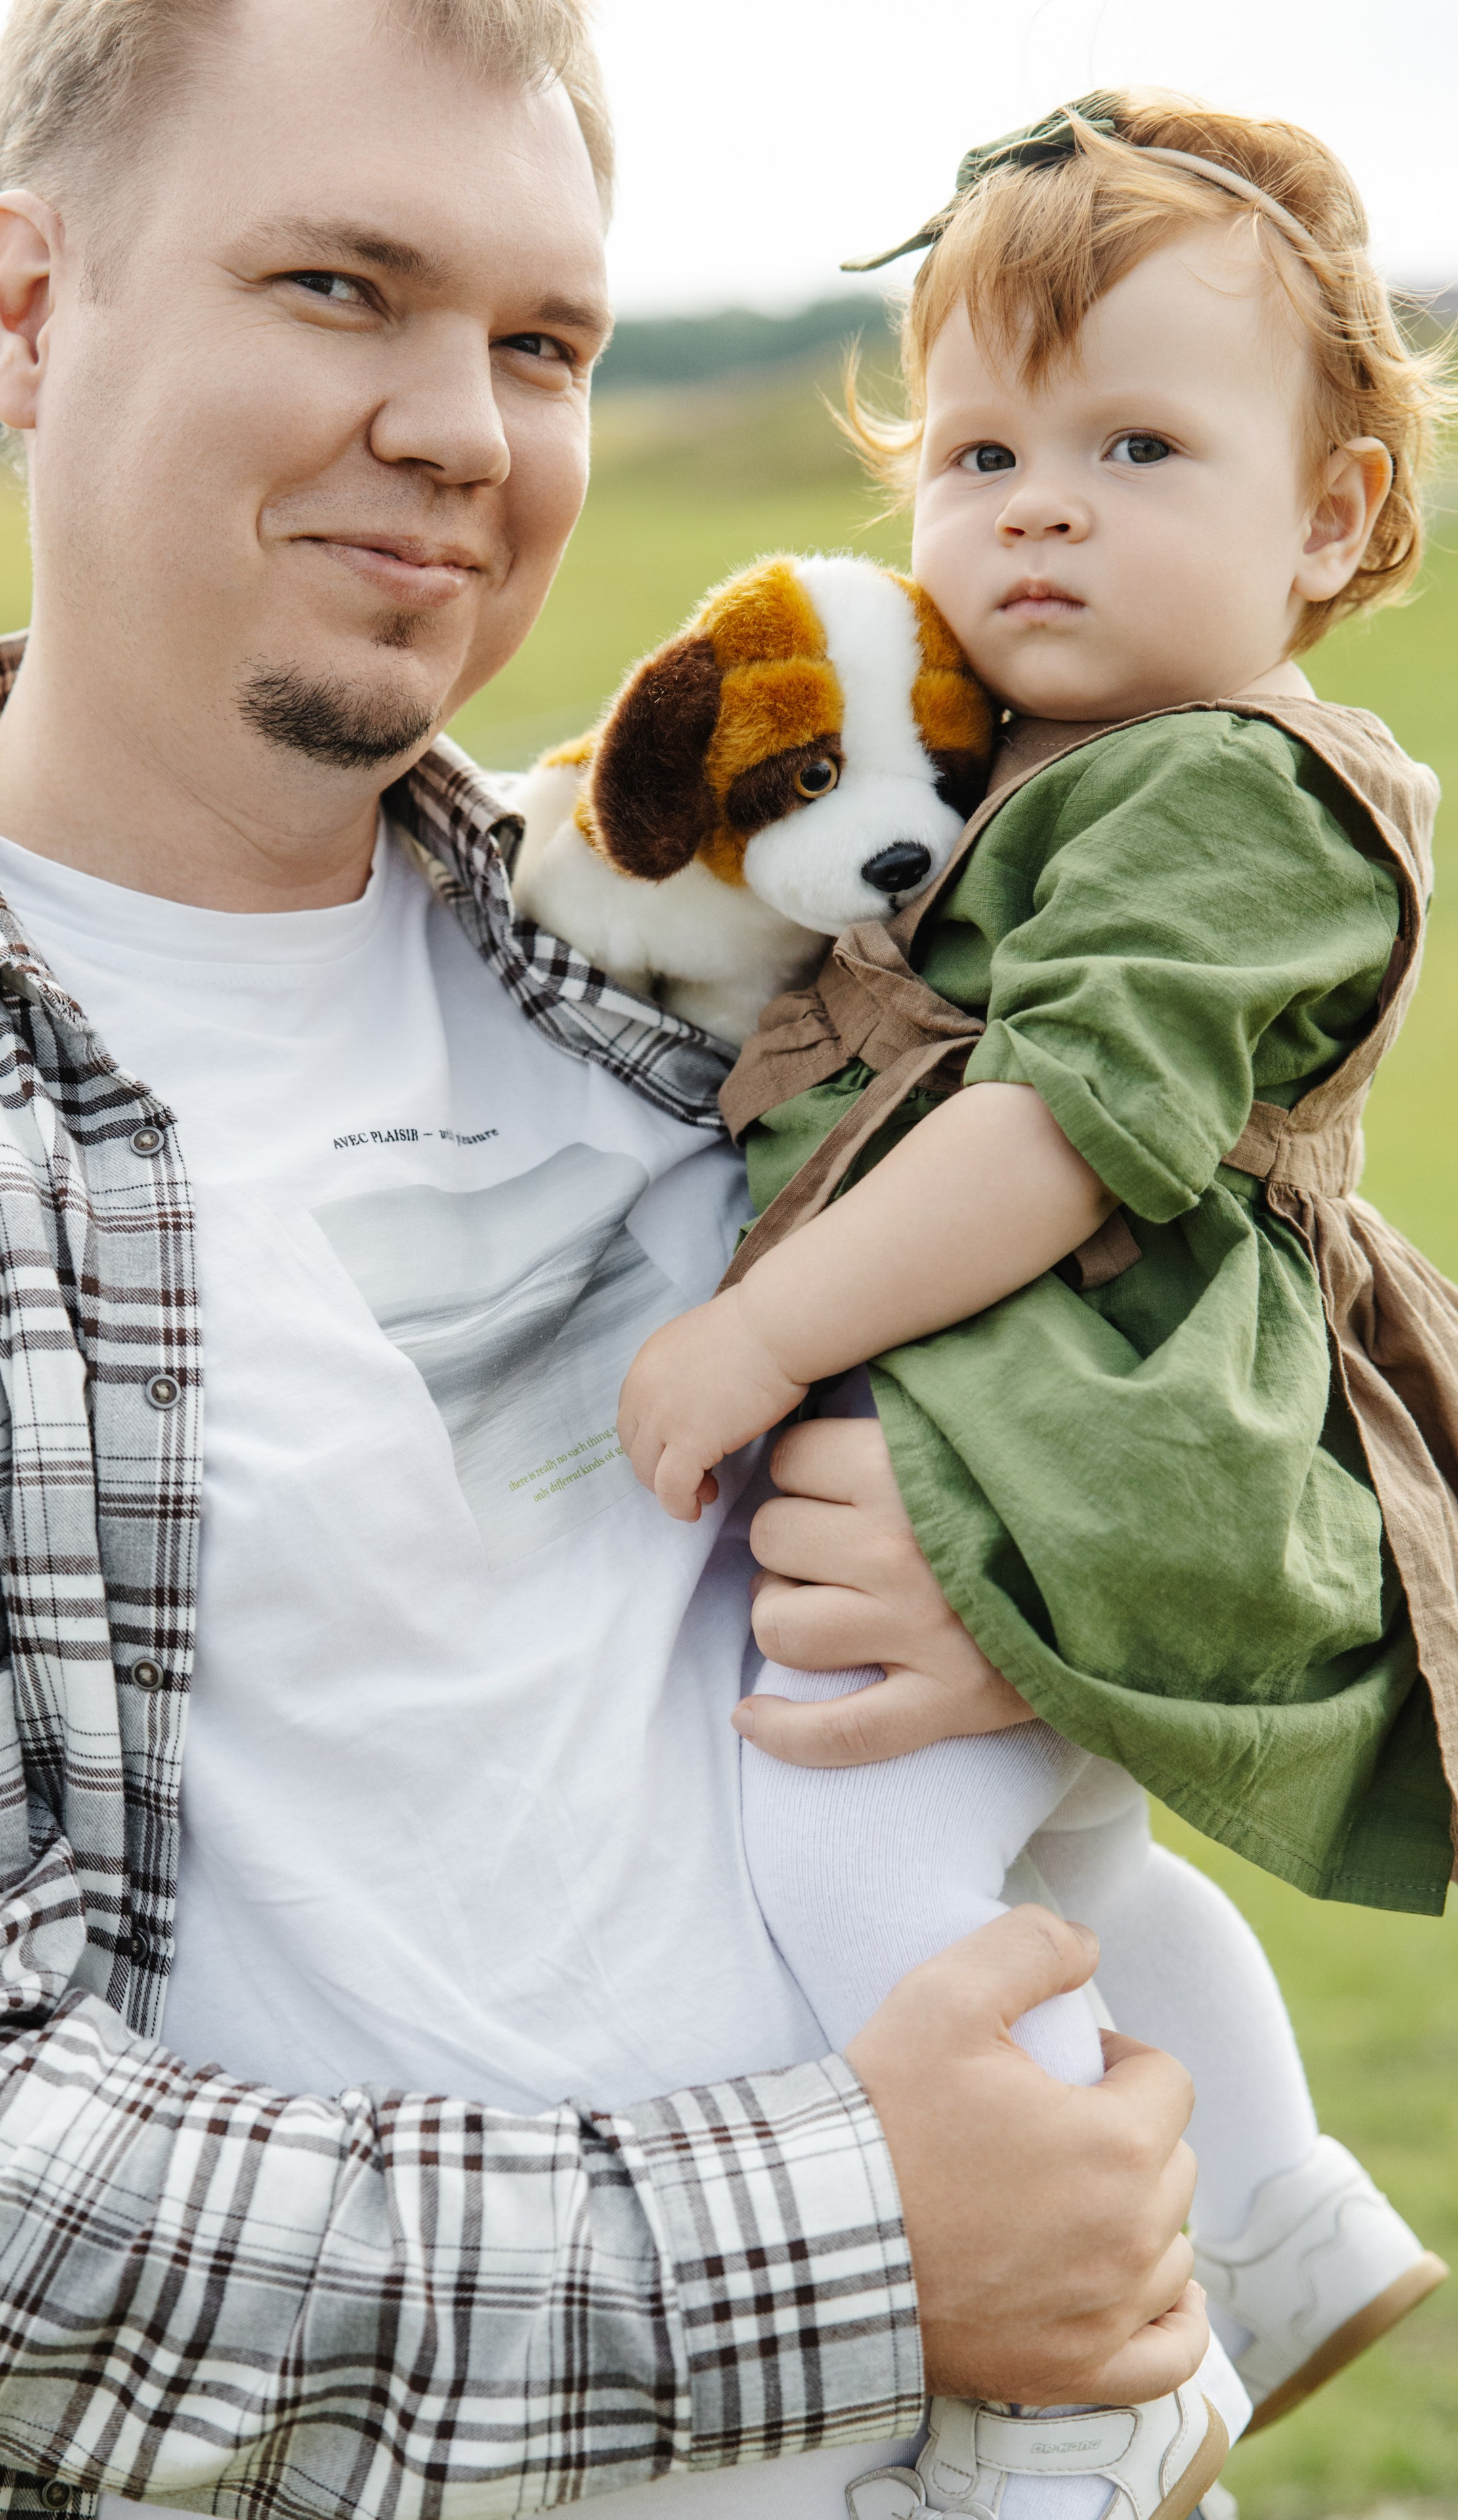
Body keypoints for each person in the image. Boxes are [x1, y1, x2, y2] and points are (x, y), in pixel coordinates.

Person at [0, 14, 1211, 2520]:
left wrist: (1050, 1563)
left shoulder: (713, 978)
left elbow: (1283, 1432)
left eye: (543, 344)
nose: (467, 429)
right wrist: (871, 2242)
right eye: (341, 285)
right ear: (25, 312)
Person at [616, 93, 1455, 2519]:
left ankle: (1072, 2388)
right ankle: (1281, 2232)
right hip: (1022, 1407)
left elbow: (1064, 1120)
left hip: (1082, 1421)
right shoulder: (1039, 762)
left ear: (1331, 521)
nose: (1041, 503)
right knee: (1077, 1881)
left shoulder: (1233, 789)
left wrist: (762, 1339)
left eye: (1137, 444)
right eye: (980, 449)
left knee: (847, 1848)